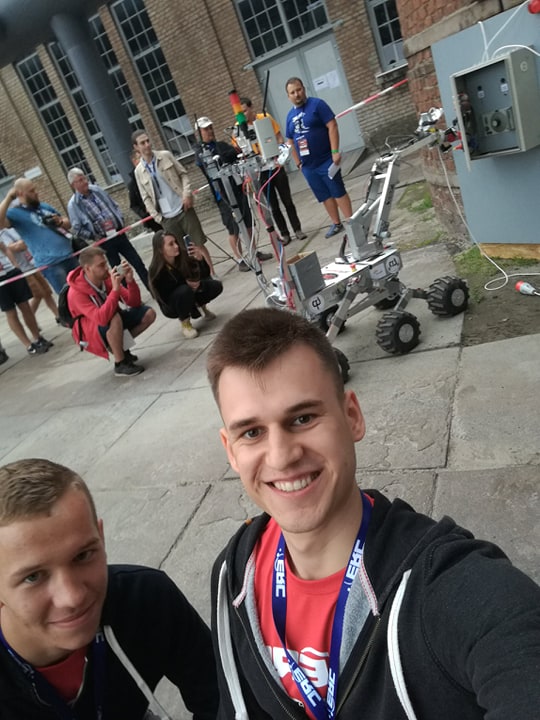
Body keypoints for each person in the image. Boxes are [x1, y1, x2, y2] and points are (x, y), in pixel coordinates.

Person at [207, 307, 540, 720]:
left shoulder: (443, 587)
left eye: (303, 418)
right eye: (252, 432)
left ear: (352, 417)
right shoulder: (234, 573)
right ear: (230, 450)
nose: (281, 456)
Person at [0, 457, 218, 718]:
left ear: (101, 538)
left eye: (82, 556)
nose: (72, 597)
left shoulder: (147, 599)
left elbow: (220, 697)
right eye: (33, 577)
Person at [131, 129, 217, 276]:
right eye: (142, 143)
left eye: (148, 141)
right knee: (181, 250)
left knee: (198, 243)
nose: (147, 145)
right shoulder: (139, 171)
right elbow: (145, 197)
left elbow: (183, 174)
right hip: (166, 216)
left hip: (183, 207)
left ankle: (211, 273)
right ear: (136, 147)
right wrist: (157, 217)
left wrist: (186, 194)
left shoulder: (165, 156)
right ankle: (196, 276)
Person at [194, 116, 272, 272]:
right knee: (233, 227)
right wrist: (225, 156)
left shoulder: (221, 145)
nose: (210, 131)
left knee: (248, 222)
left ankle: (254, 251)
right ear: (199, 132)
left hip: (237, 187)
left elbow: (235, 153)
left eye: (210, 128)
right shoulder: (201, 152)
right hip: (222, 194)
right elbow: (208, 164)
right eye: (206, 129)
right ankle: (240, 258)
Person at [66, 246, 156, 377]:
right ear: (87, 268)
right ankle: (120, 363)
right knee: (114, 317)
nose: (106, 268)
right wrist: (115, 290)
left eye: (105, 263)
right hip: (90, 333)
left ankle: (121, 349)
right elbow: (101, 318)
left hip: (109, 322)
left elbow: (134, 303)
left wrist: (130, 281)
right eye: (101, 265)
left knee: (149, 314)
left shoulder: (106, 278)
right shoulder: (76, 293)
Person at [285, 77, 353, 239]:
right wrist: (298, 163)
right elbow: (290, 141)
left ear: (304, 89)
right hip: (308, 166)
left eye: (298, 90)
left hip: (326, 160)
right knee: (323, 195)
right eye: (292, 92)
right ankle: (336, 223)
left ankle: (352, 222)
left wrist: (335, 151)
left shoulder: (317, 105)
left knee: (337, 190)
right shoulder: (290, 116)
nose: (297, 94)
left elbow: (332, 125)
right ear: (288, 96)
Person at [67, 168, 150, 291]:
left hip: (118, 233)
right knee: (119, 271)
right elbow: (78, 229)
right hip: (105, 241)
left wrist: (120, 219)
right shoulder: (74, 205)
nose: (85, 181)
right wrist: (94, 236)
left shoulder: (97, 190)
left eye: (84, 178)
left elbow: (114, 205)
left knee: (137, 262)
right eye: (80, 180)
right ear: (74, 185)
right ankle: (130, 296)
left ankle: (154, 290)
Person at [239, 97, 306, 246]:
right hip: (260, 171)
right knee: (273, 206)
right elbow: (241, 150)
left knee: (287, 200)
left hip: (275, 166)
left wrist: (280, 156)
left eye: (245, 111)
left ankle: (297, 229)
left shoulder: (265, 118)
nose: (243, 115)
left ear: (251, 107)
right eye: (240, 113)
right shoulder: (239, 128)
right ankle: (284, 233)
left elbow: (279, 137)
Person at [0, 179, 77, 293]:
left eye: (35, 189)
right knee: (67, 296)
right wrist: (9, 198)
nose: (36, 193)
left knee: (84, 290)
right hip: (51, 264)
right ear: (21, 194)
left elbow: (68, 223)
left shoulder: (44, 206)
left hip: (70, 255)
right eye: (31, 191)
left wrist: (60, 222)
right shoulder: (15, 214)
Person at [148, 229, 222, 339]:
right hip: (173, 303)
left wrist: (200, 260)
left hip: (191, 292)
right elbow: (163, 296)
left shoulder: (182, 256)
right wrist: (186, 284)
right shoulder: (156, 270)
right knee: (184, 291)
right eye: (171, 244)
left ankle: (202, 307)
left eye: (175, 242)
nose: (176, 246)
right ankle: (185, 322)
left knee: (215, 285)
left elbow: (205, 274)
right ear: (160, 249)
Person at [0, 238, 53, 356]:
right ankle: (28, 345)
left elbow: (5, 248)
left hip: (11, 271)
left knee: (25, 306)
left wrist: (15, 266)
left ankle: (38, 338)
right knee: (10, 311)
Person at [0, 227, 59, 323]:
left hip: (33, 263)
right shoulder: (2, 234)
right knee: (38, 294)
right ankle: (31, 320)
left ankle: (57, 314)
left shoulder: (13, 229)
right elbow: (11, 248)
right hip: (23, 268)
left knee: (46, 291)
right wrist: (21, 244)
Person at [128, 149, 162, 233]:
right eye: (140, 158)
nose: (142, 160)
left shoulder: (151, 171)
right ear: (134, 161)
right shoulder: (132, 184)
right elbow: (133, 205)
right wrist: (144, 213)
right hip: (152, 218)